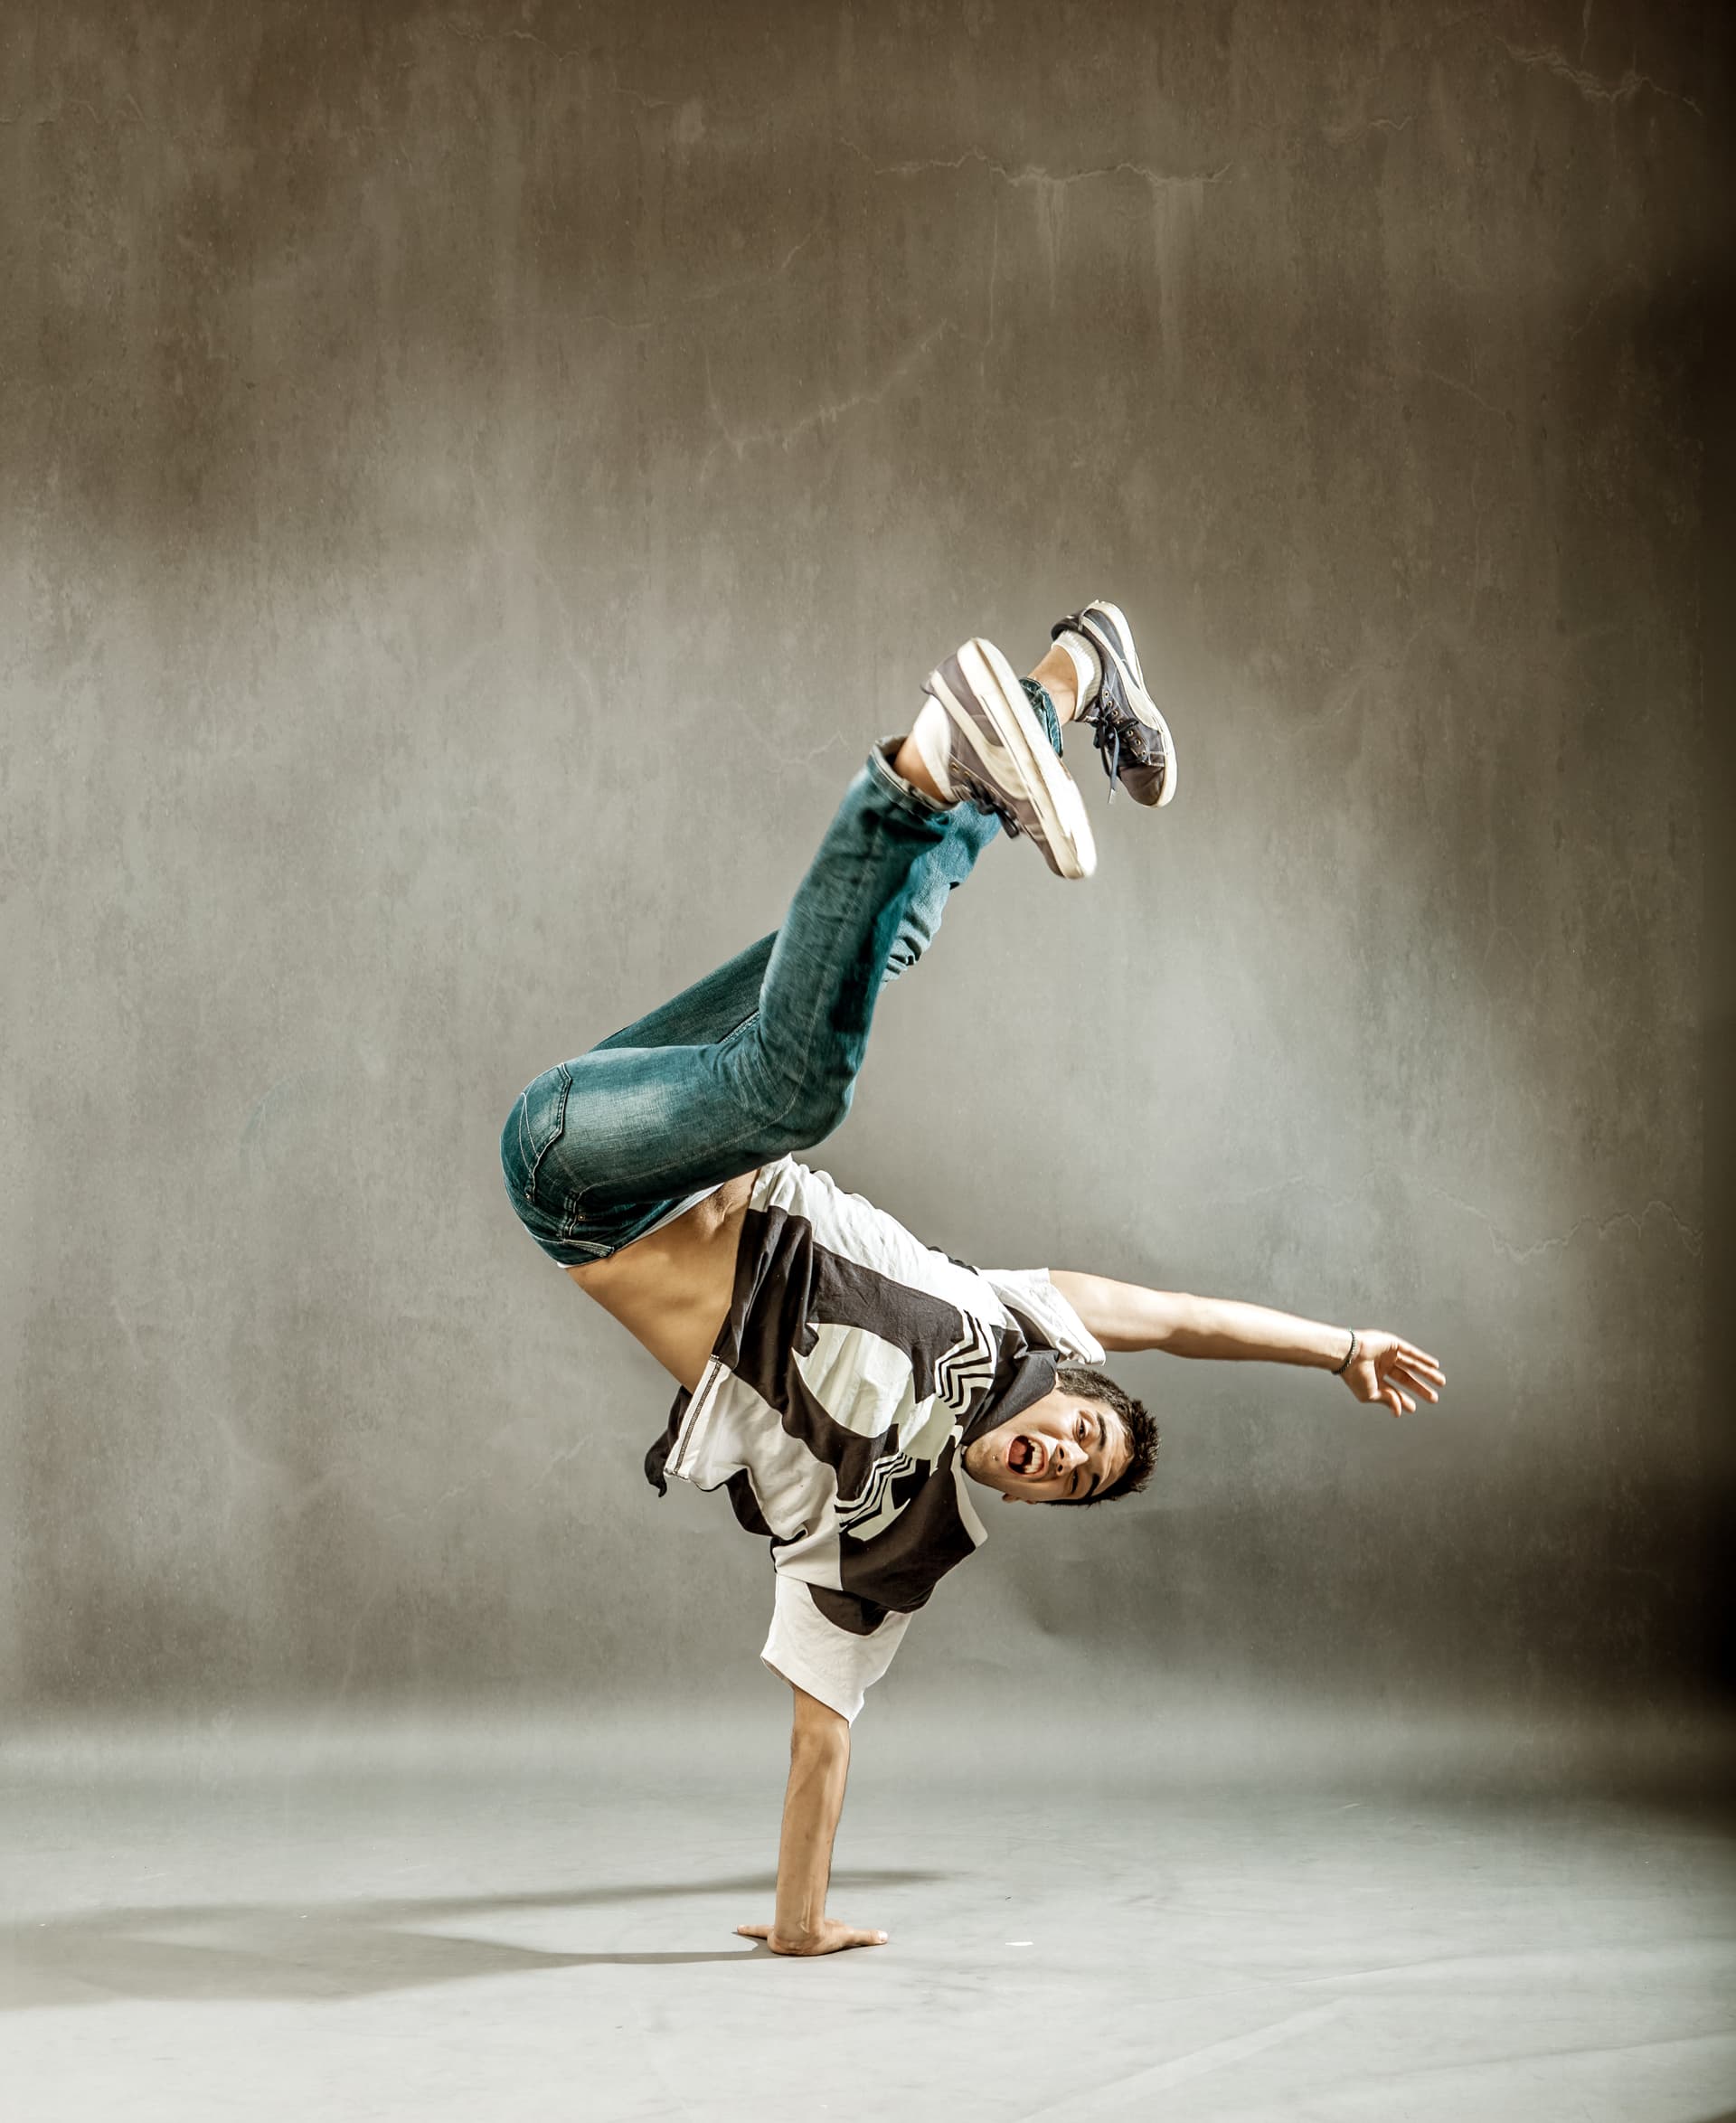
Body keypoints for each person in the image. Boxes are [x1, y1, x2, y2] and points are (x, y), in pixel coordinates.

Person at [500, 601, 1446, 1957]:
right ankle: (1076, 673)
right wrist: (1337, 1343)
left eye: (1075, 1477)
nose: (1066, 1452)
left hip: (581, 1181)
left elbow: (820, 1745)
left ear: (1028, 1495)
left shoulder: (883, 1545)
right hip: (683, 1131)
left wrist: (801, 1925)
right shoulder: (1016, 1320)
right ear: (1070, 1386)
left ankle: (932, 766)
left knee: (802, 1073)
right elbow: (1177, 1319)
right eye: (1087, 1429)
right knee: (870, 966)